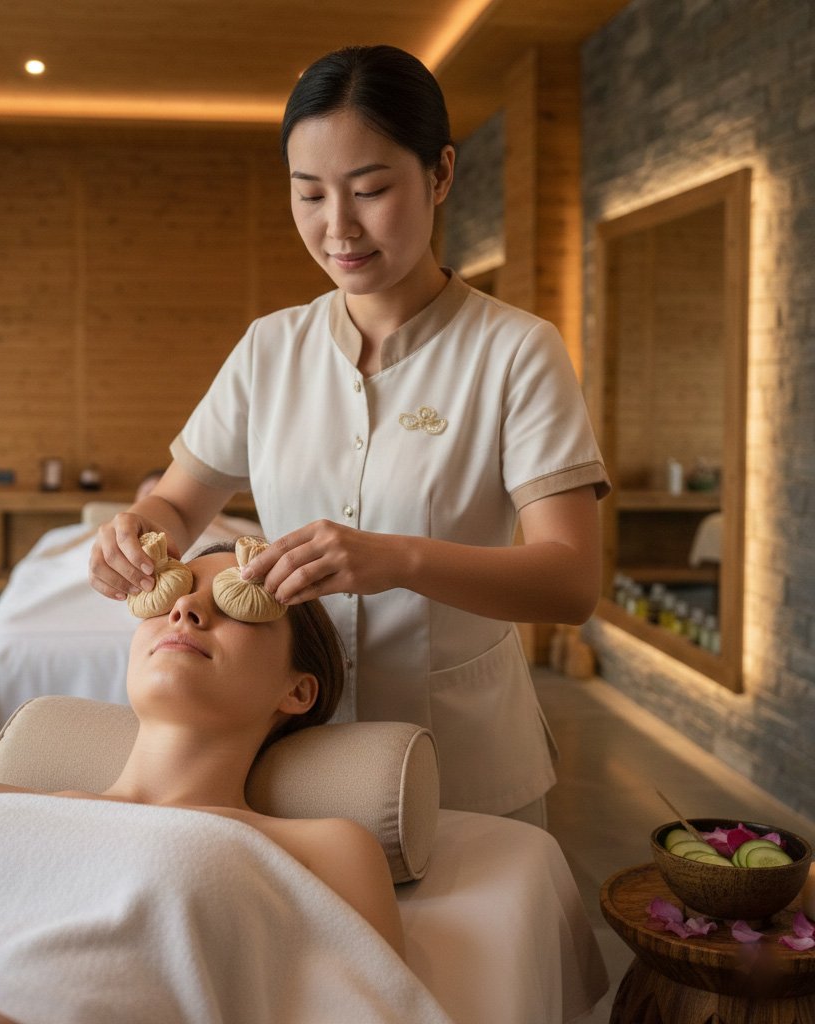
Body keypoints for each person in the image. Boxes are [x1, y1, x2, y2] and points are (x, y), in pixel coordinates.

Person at [88, 44, 610, 823]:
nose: (339, 228)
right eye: (309, 195)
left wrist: (396, 558)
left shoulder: (516, 351)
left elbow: (570, 583)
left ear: (439, 174)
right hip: (298, 759)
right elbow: (177, 506)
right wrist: (135, 533)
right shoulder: (270, 349)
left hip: (465, 767)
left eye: (370, 189)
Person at [0, 544, 453, 1024]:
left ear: (298, 690)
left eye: (239, 606)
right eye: (171, 593)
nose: (187, 610)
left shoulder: (324, 849)